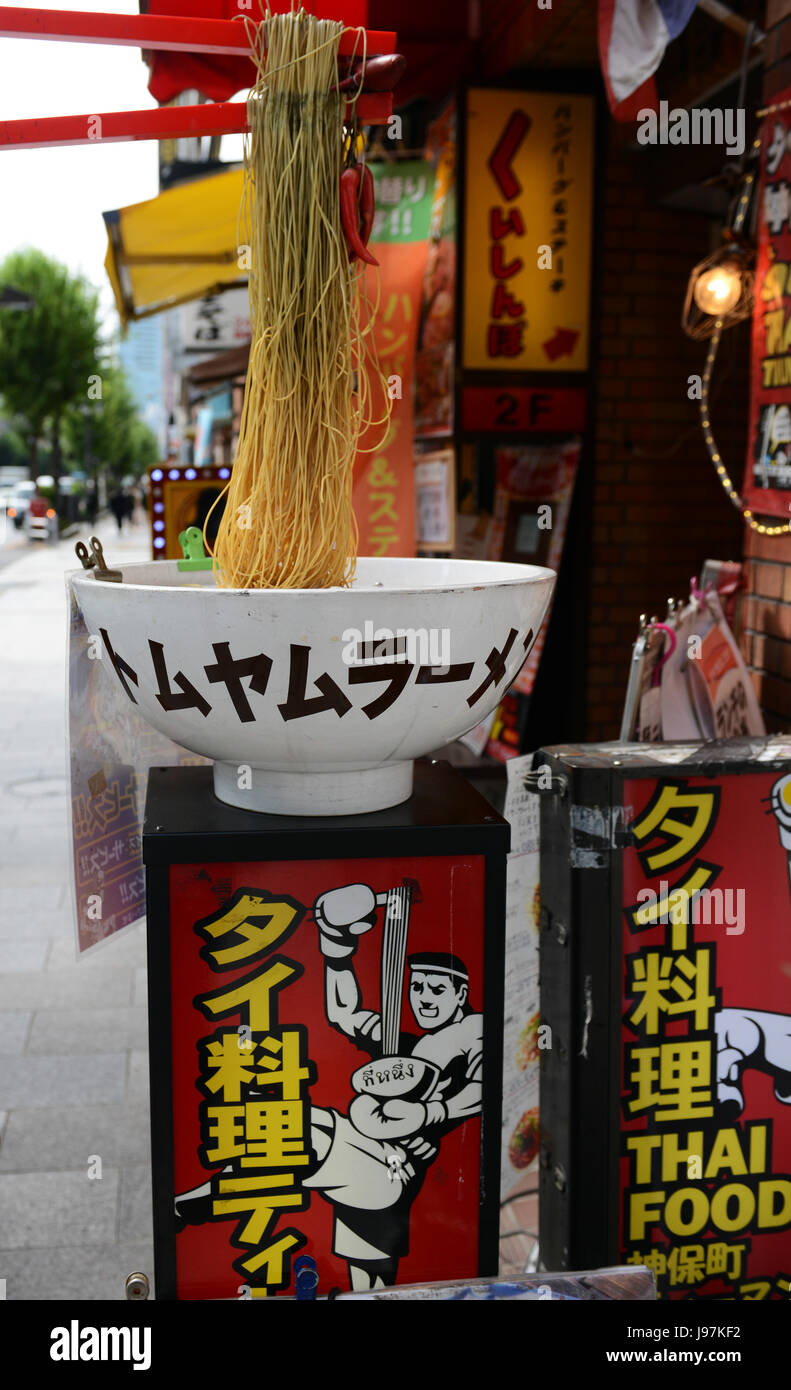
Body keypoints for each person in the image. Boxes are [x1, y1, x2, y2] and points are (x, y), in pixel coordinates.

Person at [304, 882, 483, 1290]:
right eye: (417, 987)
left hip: (397, 1167)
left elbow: (479, 1086)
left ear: (461, 994)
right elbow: (344, 1013)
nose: (423, 998)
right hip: (374, 1156)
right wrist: (335, 946)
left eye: (438, 989)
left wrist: (431, 1112)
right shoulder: (401, 1044)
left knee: (306, 1132)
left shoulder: (470, 1033)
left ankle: (196, 1205)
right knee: (366, 1273)